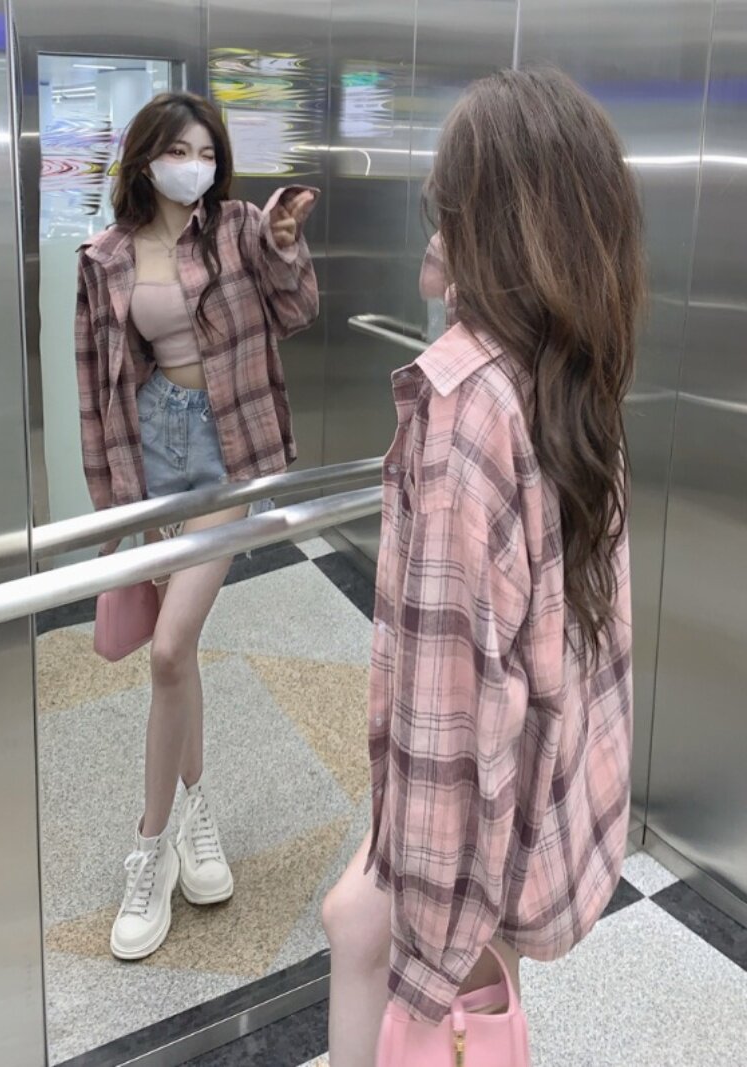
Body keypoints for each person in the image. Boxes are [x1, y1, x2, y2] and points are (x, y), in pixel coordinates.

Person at [322, 67, 645, 1065]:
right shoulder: (570, 366)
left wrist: (436, 945)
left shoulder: (467, 408)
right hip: (542, 805)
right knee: (356, 915)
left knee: (374, 943)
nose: (433, 208)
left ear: (495, 222)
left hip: (477, 831)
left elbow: (451, 717)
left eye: (449, 195)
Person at [74, 91, 319, 960]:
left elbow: (297, 311)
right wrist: (112, 507)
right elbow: (95, 386)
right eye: (178, 151)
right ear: (145, 159)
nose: (195, 165)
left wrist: (285, 247)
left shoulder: (241, 229)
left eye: (206, 151)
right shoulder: (105, 255)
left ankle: (148, 848)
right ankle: (196, 810)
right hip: (153, 446)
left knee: (171, 647)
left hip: (229, 447)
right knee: (177, 656)